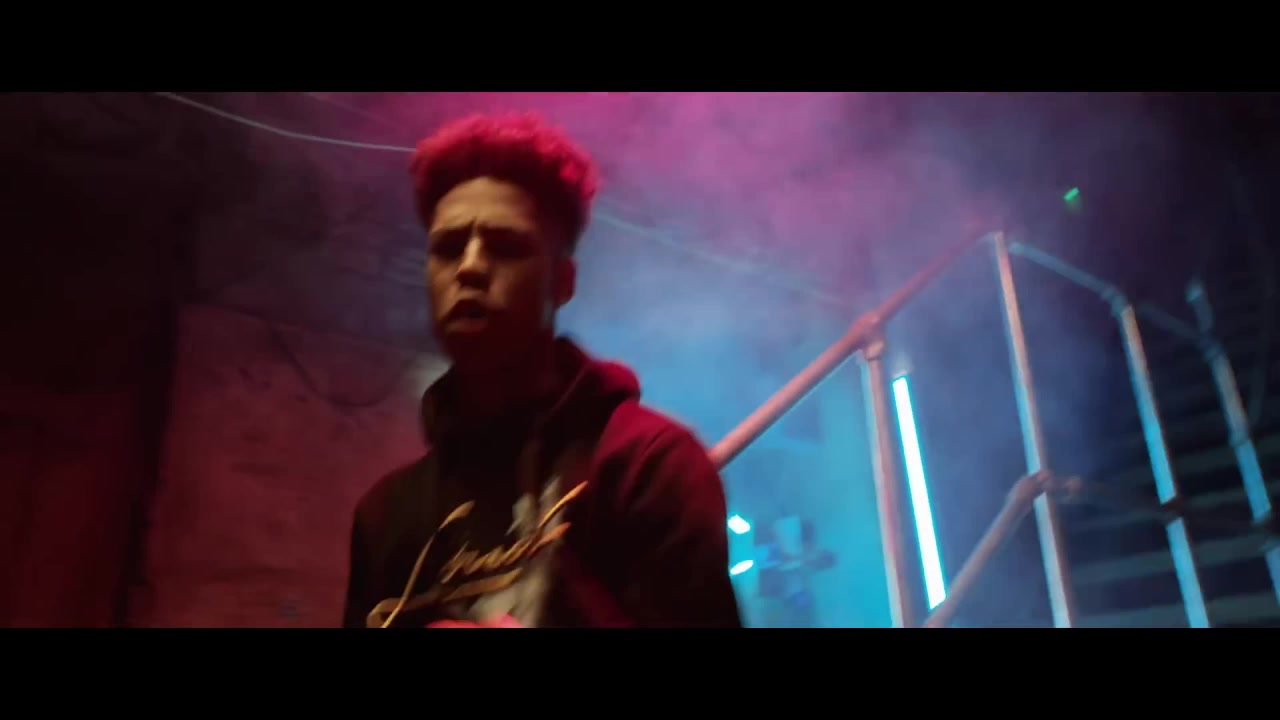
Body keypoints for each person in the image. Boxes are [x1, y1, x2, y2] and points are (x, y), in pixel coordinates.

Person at [341, 112, 743, 628]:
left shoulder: (647, 467)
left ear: (563, 282)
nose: (469, 267)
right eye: (447, 248)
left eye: (506, 247)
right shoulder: (384, 515)